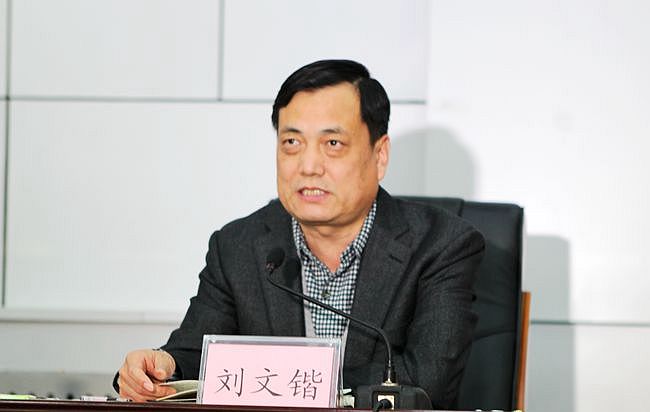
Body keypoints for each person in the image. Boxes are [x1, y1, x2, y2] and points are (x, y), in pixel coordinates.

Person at [115, 59, 485, 408]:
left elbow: (428, 380)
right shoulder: (238, 246)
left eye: (332, 144)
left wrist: (281, 379)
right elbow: (195, 358)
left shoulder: (441, 245)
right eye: (292, 143)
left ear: (379, 155)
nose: (308, 166)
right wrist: (159, 367)